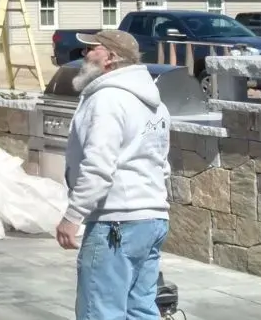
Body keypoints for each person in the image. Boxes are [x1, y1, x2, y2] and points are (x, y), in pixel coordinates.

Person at [59, 29, 171, 319]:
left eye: (91, 49)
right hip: (152, 221)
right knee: (141, 310)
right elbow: (162, 164)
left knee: (100, 312)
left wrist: (72, 216)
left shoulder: (107, 99)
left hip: (115, 224)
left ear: (110, 57)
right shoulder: (157, 103)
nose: (84, 54)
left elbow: (98, 166)